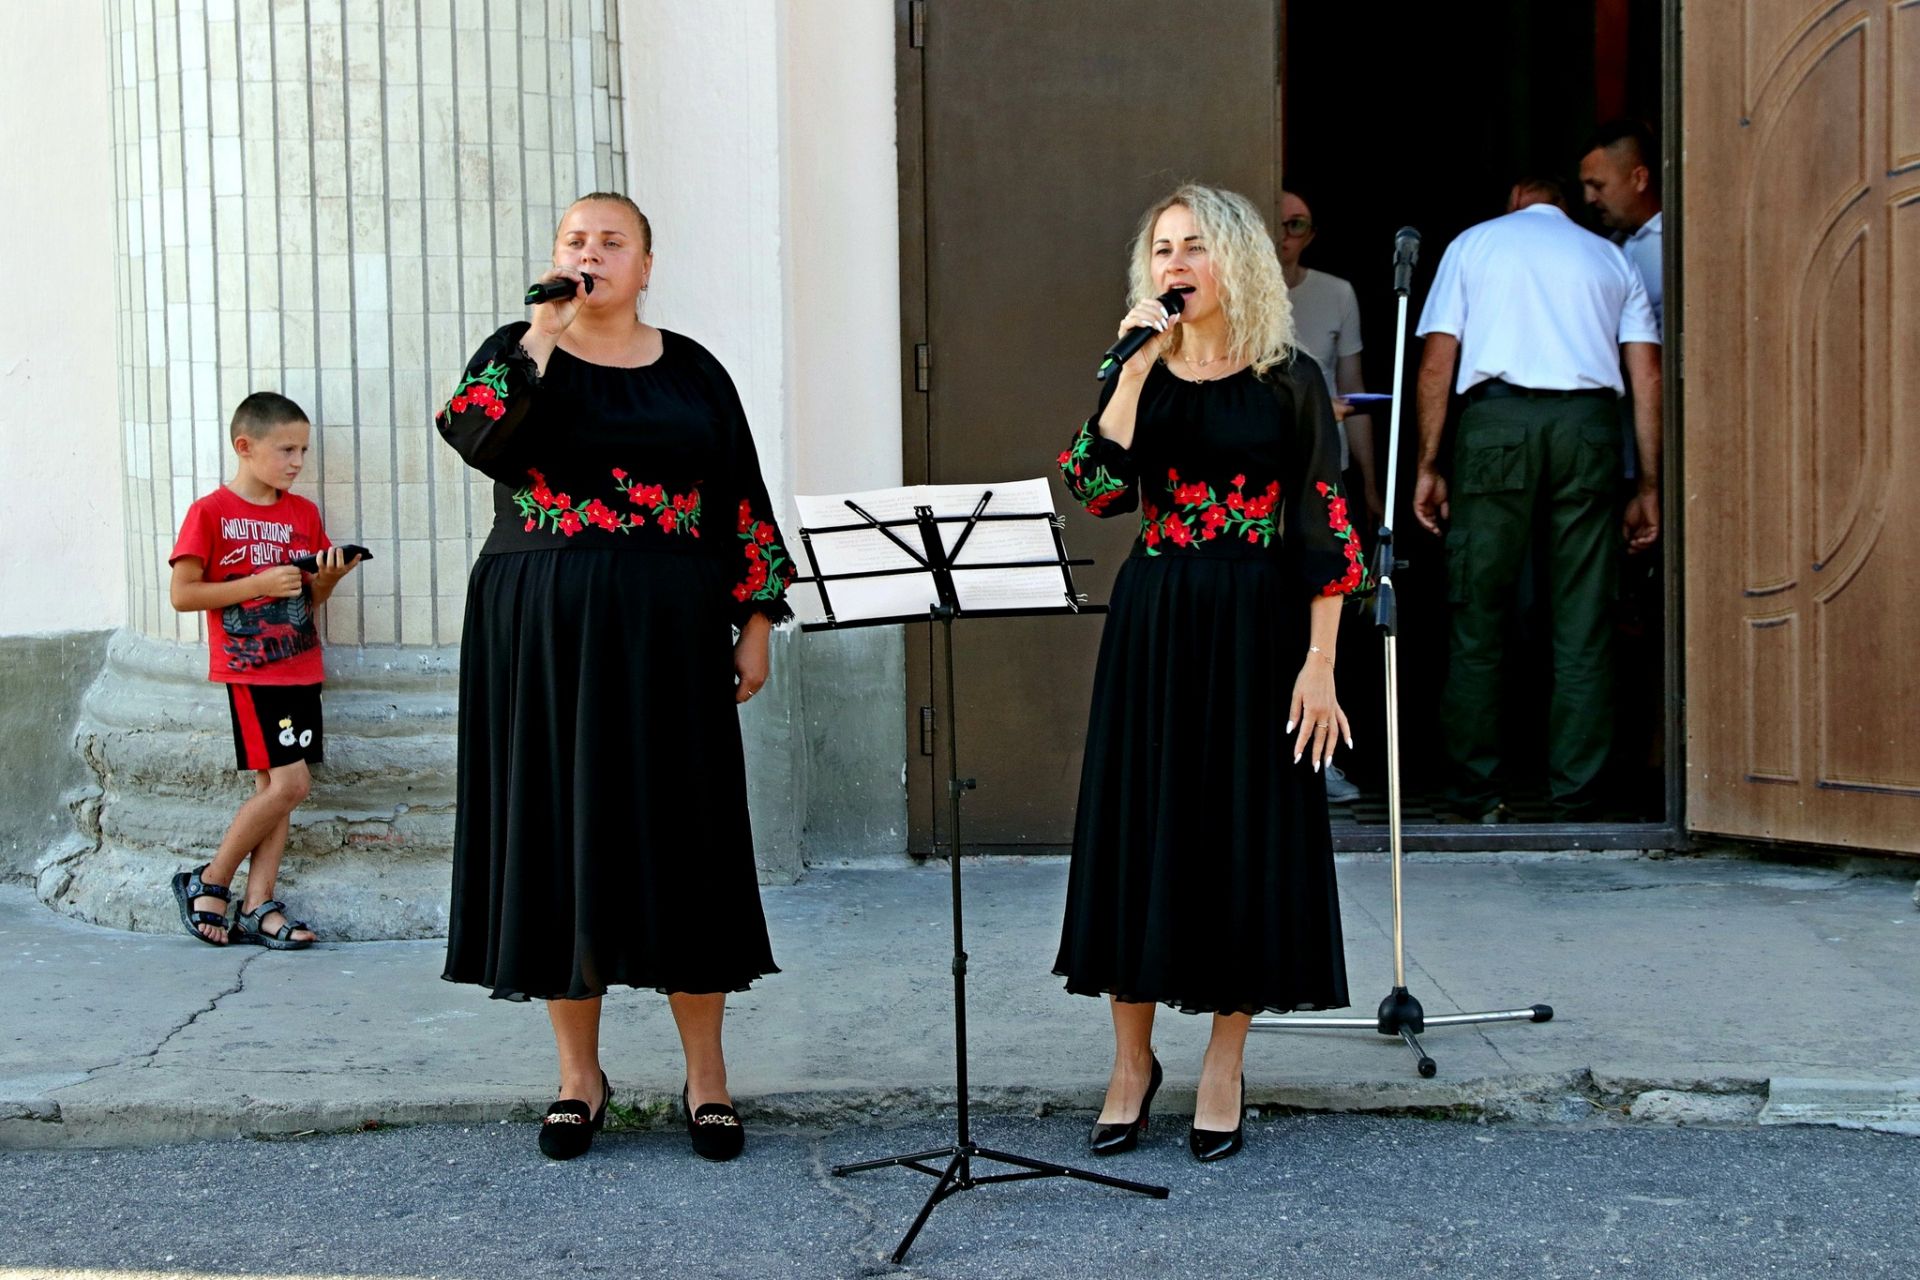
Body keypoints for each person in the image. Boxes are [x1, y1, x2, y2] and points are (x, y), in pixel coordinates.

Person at [436, 192, 794, 1162]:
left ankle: (707, 1077)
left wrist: (757, 620)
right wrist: (542, 336)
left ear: (645, 265)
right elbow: (473, 436)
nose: (590, 253)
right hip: (541, 633)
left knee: (689, 837)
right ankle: (578, 1078)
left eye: (611, 241)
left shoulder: (695, 371)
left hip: (671, 633)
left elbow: (741, 497)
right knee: (562, 835)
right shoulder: (520, 350)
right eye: (575, 240)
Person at [1055, 184, 1368, 1164]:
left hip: (1258, 627)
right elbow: (1096, 487)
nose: (1176, 263)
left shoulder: (1289, 378)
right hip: (1156, 620)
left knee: (1242, 833)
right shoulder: (1140, 371)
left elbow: (1325, 527)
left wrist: (1321, 665)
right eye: (1162, 249)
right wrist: (1131, 367)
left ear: (1234, 259)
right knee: (1139, 828)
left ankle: (1225, 1062)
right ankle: (1131, 1061)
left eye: (1194, 246)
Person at [1411, 177, 1661, 823]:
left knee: (1478, 614)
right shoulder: (1610, 258)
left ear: (1517, 198)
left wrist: (1429, 465)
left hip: (1495, 424)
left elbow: (1437, 362)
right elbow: (1647, 373)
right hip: (1588, 427)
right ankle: (1577, 794)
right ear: (1563, 204)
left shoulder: (1474, 245)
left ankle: (1477, 794)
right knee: (1584, 618)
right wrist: (1648, 486)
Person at [166, 392, 362, 950]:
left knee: (275, 788)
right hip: (253, 673)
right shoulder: (210, 512)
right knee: (292, 784)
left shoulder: (303, 514)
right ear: (245, 446)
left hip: (301, 666)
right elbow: (183, 594)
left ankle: (258, 905)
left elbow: (308, 600)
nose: (298, 461)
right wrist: (257, 583)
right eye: (286, 450)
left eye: (303, 450)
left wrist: (329, 577)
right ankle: (209, 880)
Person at [1278, 189, 1381, 805]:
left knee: (1332, 613)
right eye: (1276, 223)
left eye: (1297, 224)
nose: (1285, 234)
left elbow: (1354, 390)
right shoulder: (1239, 297)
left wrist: (1368, 480)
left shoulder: (1336, 293)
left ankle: (1324, 757)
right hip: (1263, 484)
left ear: (1312, 232)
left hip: (1324, 471)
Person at [1579, 120, 1662, 328]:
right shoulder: (1610, 244)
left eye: (1597, 185)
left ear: (1639, 179)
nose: (1588, 198)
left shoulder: (1680, 246)